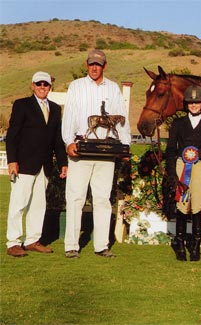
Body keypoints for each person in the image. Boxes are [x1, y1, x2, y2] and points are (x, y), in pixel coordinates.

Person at [62, 49, 131, 258]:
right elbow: (70, 115)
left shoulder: (113, 88)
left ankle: (101, 246)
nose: (94, 68)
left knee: (102, 199)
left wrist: (125, 145)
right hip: (81, 150)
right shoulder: (76, 86)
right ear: (87, 64)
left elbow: (123, 118)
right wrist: (68, 141)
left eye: (98, 64)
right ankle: (71, 245)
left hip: (106, 153)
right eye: (91, 64)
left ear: (104, 66)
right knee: (75, 198)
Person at [5, 71, 68, 257]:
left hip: (45, 166)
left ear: (50, 87)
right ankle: (13, 242)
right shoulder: (22, 105)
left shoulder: (56, 109)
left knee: (39, 205)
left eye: (46, 84)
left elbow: (57, 139)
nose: (42, 87)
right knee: (19, 203)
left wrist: (63, 162)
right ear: (32, 85)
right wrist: (12, 161)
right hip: (23, 164)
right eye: (39, 84)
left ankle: (32, 240)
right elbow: (12, 135)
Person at [166, 85, 201, 262]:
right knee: (182, 205)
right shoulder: (178, 124)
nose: (194, 105)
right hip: (182, 167)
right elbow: (171, 149)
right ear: (186, 104)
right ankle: (180, 244)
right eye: (191, 102)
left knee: (197, 206)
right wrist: (172, 174)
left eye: (197, 102)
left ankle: (195, 246)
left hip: (200, 167)